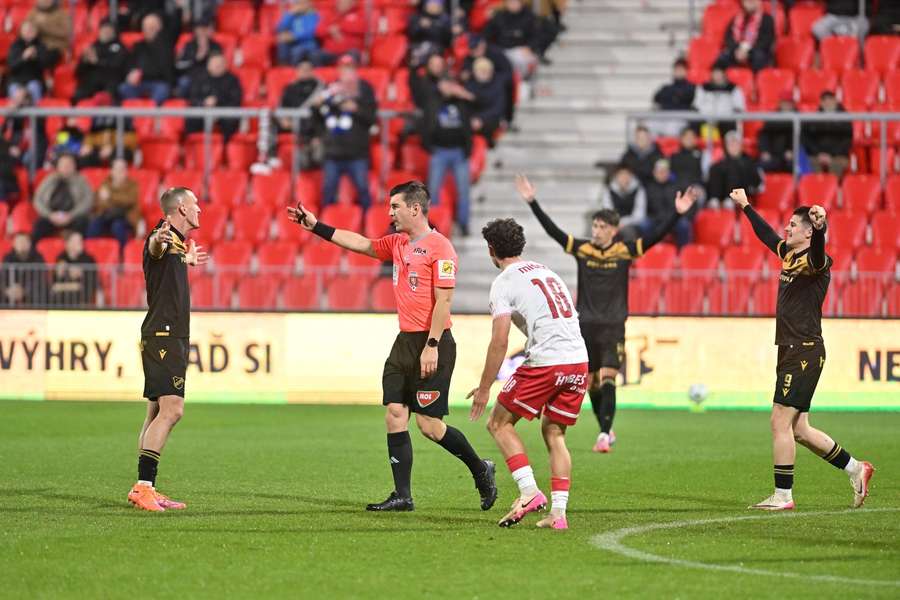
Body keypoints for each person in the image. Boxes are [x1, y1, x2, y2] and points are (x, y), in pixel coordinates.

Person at [286, 181, 497, 512]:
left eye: (395, 207)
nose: (390, 213)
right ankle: (403, 495)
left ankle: (480, 469)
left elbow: (444, 302)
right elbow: (362, 244)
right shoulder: (398, 243)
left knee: (429, 426)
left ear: (415, 208)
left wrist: (432, 345)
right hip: (404, 342)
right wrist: (316, 227)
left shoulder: (441, 248)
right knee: (395, 414)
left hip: (434, 341)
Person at [518, 174, 697, 452]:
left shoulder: (625, 251)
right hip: (585, 324)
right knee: (590, 382)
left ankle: (603, 434)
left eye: (601, 226)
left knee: (609, 375)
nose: (596, 230)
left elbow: (655, 235)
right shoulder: (583, 248)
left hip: (613, 323)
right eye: (595, 225)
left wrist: (676, 214)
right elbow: (554, 232)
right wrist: (533, 203)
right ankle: (607, 428)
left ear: (614, 230)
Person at [730, 188, 875, 511]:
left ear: (809, 231)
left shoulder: (815, 260)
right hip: (791, 348)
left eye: (794, 226)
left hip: (805, 350)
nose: (787, 229)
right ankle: (856, 468)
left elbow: (819, 254)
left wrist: (822, 229)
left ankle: (783, 495)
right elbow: (767, 236)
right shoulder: (789, 255)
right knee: (799, 429)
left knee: (779, 422)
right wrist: (746, 207)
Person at [468, 217, 587, 530]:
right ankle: (558, 514)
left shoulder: (504, 282)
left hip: (547, 361)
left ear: (491, 249)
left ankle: (529, 491)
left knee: (498, 423)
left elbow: (500, 340)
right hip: (578, 360)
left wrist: (484, 388)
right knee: (555, 433)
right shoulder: (545, 271)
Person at [129, 187, 209, 512]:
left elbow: (167, 255)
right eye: (195, 205)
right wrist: (160, 240)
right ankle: (143, 487)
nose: (200, 209)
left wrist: (184, 258)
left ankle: (147, 486)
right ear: (181, 209)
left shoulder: (177, 243)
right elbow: (155, 247)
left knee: (155, 412)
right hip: (164, 335)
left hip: (168, 335)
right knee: (173, 410)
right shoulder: (162, 237)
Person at [314, 55, 376, 209]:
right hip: (333, 151)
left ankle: (366, 224)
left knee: (363, 190)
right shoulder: (330, 89)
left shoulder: (364, 89)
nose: (346, 72)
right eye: (343, 68)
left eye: (350, 68)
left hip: (357, 151)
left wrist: (356, 109)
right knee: (328, 191)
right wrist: (317, 108)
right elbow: (318, 115)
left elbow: (371, 117)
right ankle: (324, 226)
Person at [423, 74, 475, 236]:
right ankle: (435, 225)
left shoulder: (462, 102)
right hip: (439, 151)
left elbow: (480, 104)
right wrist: (429, 146)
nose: (447, 87)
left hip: (459, 152)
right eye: (444, 83)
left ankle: (464, 223)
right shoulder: (432, 100)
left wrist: (464, 96)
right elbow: (425, 123)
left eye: (450, 83)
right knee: (433, 190)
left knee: (464, 191)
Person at [32, 154, 94, 242]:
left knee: (82, 222)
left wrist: (71, 215)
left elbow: (88, 201)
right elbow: (37, 199)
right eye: (63, 165)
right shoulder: (49, 180)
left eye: (69, 164)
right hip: (51, 215)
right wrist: (49, 215)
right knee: (39, 225)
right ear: (58, 166)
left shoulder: (82, 180)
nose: (66, 167)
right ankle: (34, 251)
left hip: (73, 215)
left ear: (74, 166)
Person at [118, 13, 176, 105]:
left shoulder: (166, 45)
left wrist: (142, 71)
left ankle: (150, 114)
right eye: (145, 27)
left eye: (152, 27)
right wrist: (131, 72)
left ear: (159, 28)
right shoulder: (138, 46)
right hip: (140, 82)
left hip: (159, 82)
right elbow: (130, 63)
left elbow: (163, 69)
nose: (148, 30)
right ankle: (138, 113)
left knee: (162, 89)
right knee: (124, 88)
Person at [185, 53, 243, 141]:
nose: (217, 66)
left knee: (230, 121)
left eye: (220, 63)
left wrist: (218, 104)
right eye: (215, 63)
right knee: (191, 118)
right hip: (203, 110)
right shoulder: (200, 78)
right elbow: (193, 98)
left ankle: (225, 147)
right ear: (209, 65)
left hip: (224, 111)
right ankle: (194, 145)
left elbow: (235, 100)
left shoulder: (232, 80)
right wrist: (204, 103)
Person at [87, 158, 141, 249]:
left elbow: (129, 200)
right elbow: (100, 201)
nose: (120, 172)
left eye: (123, 169)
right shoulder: (105, 183)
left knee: (117, 226)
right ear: (111, 171)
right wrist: (113, 201)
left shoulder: (132, 184)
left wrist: (110, 197)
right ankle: (90, 252)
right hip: (107, 214)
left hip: (125, 216)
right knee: (94, 224)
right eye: (117, 169)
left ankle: (122, 254)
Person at [74, 19, 129, 103]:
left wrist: (97, 61)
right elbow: (78, 72)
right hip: (90, 84)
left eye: (109, 30)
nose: (105, 32)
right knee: (80, 94)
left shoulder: (120, 48)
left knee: (109, 94)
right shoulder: (93, 47)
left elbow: (118, 67)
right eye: (103, 29)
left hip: (110, 84)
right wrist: (85, 61)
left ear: (114, 32)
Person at [483, 0, 540, 81]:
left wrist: (529, 47)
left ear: (521, 3)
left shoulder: (530, 17)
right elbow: (487, 35)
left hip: (520, 50)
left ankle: (523, 82)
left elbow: (536, 36)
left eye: (515, 2)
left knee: (526, 60)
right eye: (510, 2)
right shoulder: (499, 16)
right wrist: (494, 49)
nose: (513, 4)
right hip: (501, 50)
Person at [801, 91, 853, 179]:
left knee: (836, 165)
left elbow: (846, 141)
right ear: (821, 103)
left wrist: (832, 155)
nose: (827, 103)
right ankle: (818, 188)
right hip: (817, 155)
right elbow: (807, 139)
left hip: (838, 156)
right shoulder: (813, 119)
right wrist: (819, 153)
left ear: (835, 101)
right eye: (824, 100)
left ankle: (832, 190)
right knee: (810, 162)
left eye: (830, 100)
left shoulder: (845, 118)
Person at [644, 159, 694, 248]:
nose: (662, 174)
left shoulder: (678, 186)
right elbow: (645, 208)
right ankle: (648, 251)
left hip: (674, 218)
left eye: (664, 171)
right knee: (644, 225)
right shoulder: (648, 188)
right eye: (659, 171)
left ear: (669, 172)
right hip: (655, 218)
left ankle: (683, 253)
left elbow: (688, 203)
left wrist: (684, 215)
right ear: (654, 172)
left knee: (684, 225)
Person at [708, 131, 763, 209]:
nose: (733, 146)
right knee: (715, 168)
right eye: (730, 144)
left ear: (741, 146)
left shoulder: (749, 161)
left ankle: (729, 199)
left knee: (733, 168)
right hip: (722, 196)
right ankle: (715, 199)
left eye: (735, 143)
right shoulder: (720, 163)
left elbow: (756, 182)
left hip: (743, 194)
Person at [718, 0, 775, 72]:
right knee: (724, 56)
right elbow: (728, 37)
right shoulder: (736, 18)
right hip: (737, 49)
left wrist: (747, 51)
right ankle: (724, 82)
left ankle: (755, 81)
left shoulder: (767, 19)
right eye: (747, 1)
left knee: (759, 56)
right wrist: (737, 49)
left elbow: (767, 40)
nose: (750, 2)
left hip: (756, 50)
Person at [693, 62, 746, 139]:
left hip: (726, 120)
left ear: (724, 74)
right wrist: (707, 117)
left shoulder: (733, 88)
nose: (717, 75)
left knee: (730, 127)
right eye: (714, 73)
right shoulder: (703, 88)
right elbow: (697, 106)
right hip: (706, 120)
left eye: (719, 72)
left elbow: (739, 107)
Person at [174, 18, 223, 98]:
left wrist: (207, 54)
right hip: (191, 76)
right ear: (196, 30)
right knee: (184, 82)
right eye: (200, 29)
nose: (202, 31)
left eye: (205, 29)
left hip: (209, 77)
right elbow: (180, 65)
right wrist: (196, 59)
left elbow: (219, 64)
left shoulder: (215, 46)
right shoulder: (189, 45)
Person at [7, 20, 54, 102]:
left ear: (36, 32)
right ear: (21, 32)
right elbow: (12, 66)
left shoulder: (41, 46)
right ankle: (22, 100)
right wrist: (23, 57)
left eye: (31, 30)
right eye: (26, 30)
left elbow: (45, 65)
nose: (29, 32)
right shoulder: (15, 46)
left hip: (35, 80)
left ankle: (20, 102)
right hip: (17, 81)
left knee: (33, 87)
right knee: (14, 88)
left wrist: (35, 57)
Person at [465, 57, 507, 148]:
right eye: (481, 70)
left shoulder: (497, 85)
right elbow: (465, 107)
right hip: (472, 119)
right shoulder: (468, 85)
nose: (484, 73)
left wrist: (481, 119)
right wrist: (473, 119)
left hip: (489, 119)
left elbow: (498, 108)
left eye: (487, 70)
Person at [648, 58, 696, 137]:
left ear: (686, 71)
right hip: (664, 117)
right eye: (676, 69)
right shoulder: (666, 87)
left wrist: (671, 100)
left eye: (681, 69)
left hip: (681, 118)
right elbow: (656, 98)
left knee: (672, 128)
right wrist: (675, 99)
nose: (678, 72)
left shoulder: (691, 87)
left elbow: (686, 101)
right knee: (648, 125)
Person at [49, 231, 98, 307]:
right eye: (74, 241)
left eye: (80, 241)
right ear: (67, 243)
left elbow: (91, 282)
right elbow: (55, 283)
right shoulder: (61, 257)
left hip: (81, 296)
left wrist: (80, 275)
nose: (78, 243)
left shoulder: (88, 258)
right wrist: (60, 274)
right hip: (62, 297)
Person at [600, 166, 647, 240]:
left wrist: (623, 223)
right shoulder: (609, 190)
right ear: (616, 176)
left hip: (632, 223)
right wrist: (616, 223)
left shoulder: (639, 190)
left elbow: (639, 215)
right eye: (621, 175)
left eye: (627, 175)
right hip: (613, 223)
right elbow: (607, 211)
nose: (624, 178)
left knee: (629, 232)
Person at [315, 0, 366, 65]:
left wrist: (340, 27)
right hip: (330, 52)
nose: (342, 4)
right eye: (340, 2)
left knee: (354, 54)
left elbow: (362, 28)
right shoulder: (329, 14)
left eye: (346, 2)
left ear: (352, 3)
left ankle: (349, 74)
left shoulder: (358, 14)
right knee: (316, 55)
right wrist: (329, 30)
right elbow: (318, 31)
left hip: (349, 52)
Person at [1, 231, 45, 306]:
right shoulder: (7, 258)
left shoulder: (38, 258)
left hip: (31, 291)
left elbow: (38, 278)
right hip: (11, 289)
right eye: (18, 242)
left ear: (29, 244)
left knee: (40, 291)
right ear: (14, 244)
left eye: (24, 241)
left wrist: (24, 290)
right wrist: (7, 290)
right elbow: (3, 277)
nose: (21, 244)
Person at [275, 0, 322, 65]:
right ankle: (283, 67)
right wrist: (290, 14)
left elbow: (311, 32)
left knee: (297, 51)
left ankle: (293, 70)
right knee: (282, 41)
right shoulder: (294, 16)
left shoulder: (314, 16)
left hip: (307, 44)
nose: (300, 5)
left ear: (309, 4)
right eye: (298, 3)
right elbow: (280, 29)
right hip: (292, 43)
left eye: (303, 3)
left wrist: (294, 36)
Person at [758, 96, 796, 173]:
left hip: (790, 157)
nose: (786, 105)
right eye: (784, 103)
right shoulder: (772, 117)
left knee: (794, 167)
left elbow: (802, 138)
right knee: (760, 166)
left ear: (792, 104)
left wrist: (793, 151)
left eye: (788, 103)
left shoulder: (799, 117)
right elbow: (764, 135)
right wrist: (765, 151)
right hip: (773, 155)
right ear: (780, 104)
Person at [26, 0, 71, 65]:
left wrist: (45, 25)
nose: (44, 1)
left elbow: (65, 32)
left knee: (40, 58)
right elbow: (25, 28)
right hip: (36, 44)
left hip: (54, 46)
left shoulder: (61, 13)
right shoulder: (33, 13)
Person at [669, 127, 705, 194]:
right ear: (681, 139)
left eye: (692, 137)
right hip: (677, 186)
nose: (689, 139)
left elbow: (704, 175)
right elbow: (671, 174)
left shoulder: (702, 155)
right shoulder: (674, 156)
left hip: (695, 187)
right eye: (687, 137)